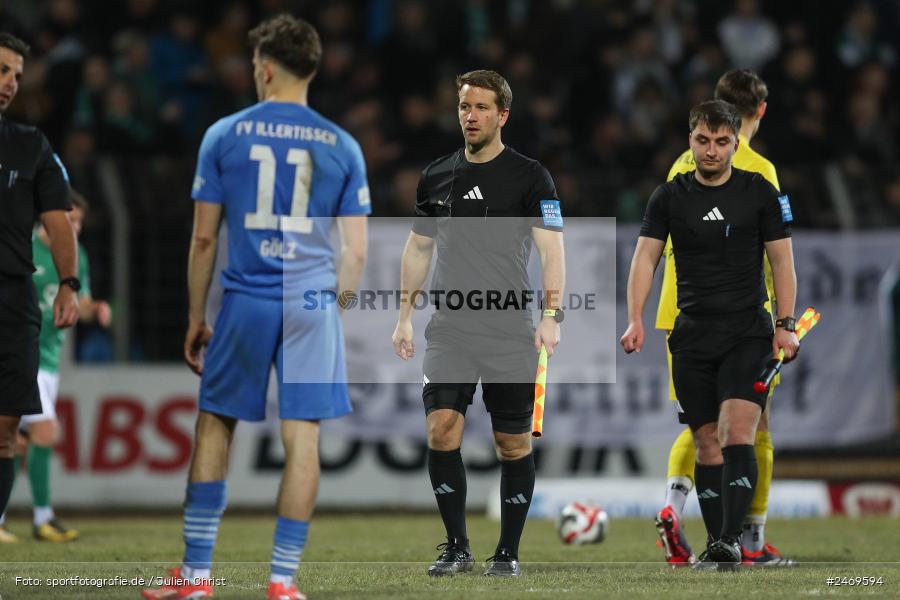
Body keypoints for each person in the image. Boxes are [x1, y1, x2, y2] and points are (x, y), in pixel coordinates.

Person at [142, 15, 369, 600]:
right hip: (309, 302)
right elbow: (358, 253)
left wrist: (197, 315)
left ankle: (195, 578)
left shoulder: (224, 134)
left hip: (246, 298)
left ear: (265, 69)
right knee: (304, 443)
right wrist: (329, 308)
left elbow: (202, 240)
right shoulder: (342, 145)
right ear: (312, 69)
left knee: (215, 427)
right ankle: (282, 583)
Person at [392, 70, 565, 578]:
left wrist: (552, 315)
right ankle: (456, 546)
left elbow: (552, 250)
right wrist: (404, 316)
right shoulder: (437, 174)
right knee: (441, 429)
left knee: (512, 444)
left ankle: (507, 552)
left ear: (502, 115)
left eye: (482, 108)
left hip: (510, 328)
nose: (471, 116)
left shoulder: (532, 177)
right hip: (450, 327)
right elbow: (419, 247)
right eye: (465, 106)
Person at [620, 99, 799, 568]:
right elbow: (645, 258)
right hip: (691, 335)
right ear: (690, 140)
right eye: (703, 140)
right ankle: (720, 544)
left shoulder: (759, 192)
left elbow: (782, 260)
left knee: (738, 430)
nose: (712, 150)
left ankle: (729, 540)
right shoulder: (669, 196)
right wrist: (635, 318)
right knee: (705, 441)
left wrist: (785, 324)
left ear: (736, 143)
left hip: (747, 331)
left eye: (722, 142)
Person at [0, 191, 111, 544]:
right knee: (46, 433)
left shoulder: (75, 256)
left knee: (14, 442)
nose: (74, 228)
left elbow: (83, 302)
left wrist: (97, 310)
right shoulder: (22, 248)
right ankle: (43, 518)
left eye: (78, 222)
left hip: (49, 360)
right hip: (19, 356)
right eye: (69, 219)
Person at [0, 32, 79, 529]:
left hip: (12, 302)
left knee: (5, 436)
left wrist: (69, 282)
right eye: (2, 69)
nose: (9, 83)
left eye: (16, 76)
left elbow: (58, 221)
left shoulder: (30, 146)